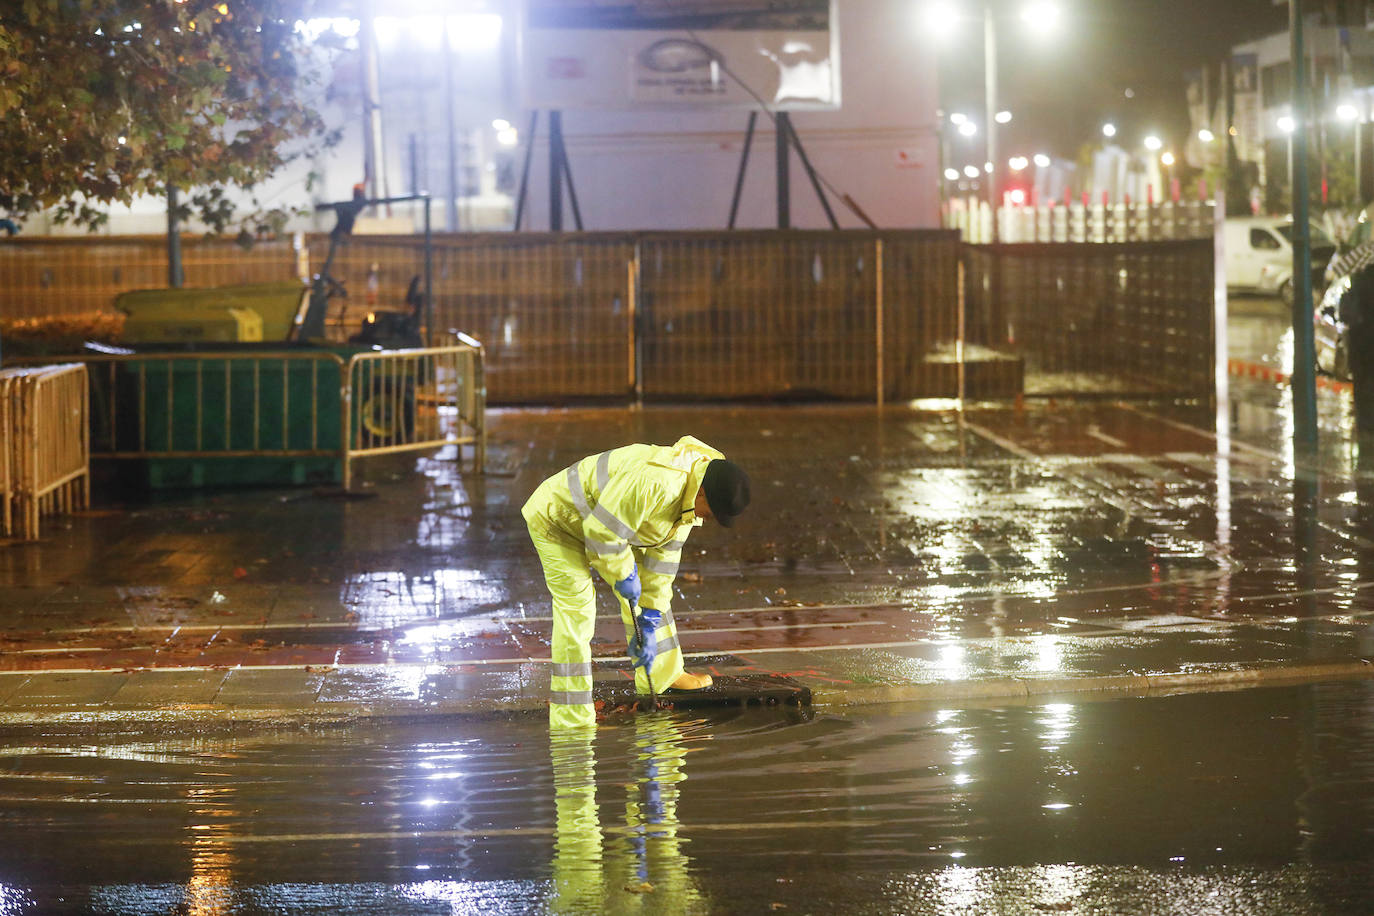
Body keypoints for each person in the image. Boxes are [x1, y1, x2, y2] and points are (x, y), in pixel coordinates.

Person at [522, 436, 751, 729]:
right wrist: (626, 576)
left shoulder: (688, 498)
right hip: (558, 519)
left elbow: (661, 564)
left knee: (652, 602)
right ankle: (572, 715)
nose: (708, 520)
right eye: (712, 512)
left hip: (605, 524)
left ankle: (662, 677)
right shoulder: (656, 484)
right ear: (702, 493)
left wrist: (651, 612)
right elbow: (601, 536)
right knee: (577, 609)